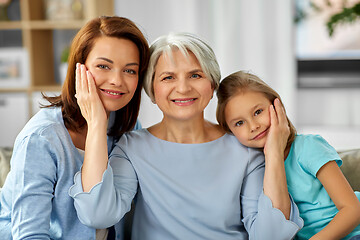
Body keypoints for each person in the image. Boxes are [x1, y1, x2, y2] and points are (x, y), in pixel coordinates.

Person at [69, 32, 303, 239]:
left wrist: (272, 153)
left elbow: (271, 235)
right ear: (151, 89)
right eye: (168, 77)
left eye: (195, 75)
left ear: (212, 86)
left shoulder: (244, 151)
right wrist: (97, 123)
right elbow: (97, 215)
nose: (183, 88)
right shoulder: (131, 148)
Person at [0, 16, 149, 239]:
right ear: (79, 68)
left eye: (130, 70)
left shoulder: (127, 128)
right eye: (103, 66)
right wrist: (97, 123)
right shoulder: (41, 138)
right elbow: (30, 235)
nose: (117, 80)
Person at [216, 70, 360, 240]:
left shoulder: (308, 146)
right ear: (230, 132)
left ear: (277, 107)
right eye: (239, 123)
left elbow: (352, 210)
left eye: (258, 112)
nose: (253, 126)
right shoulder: (252, 171)